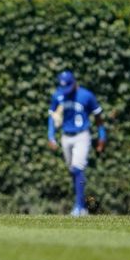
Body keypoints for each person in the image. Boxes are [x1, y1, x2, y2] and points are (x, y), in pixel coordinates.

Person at [47, 70, 106, 217]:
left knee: (77, 168)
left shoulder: (86, 95)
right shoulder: (58, 95)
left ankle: (79, 207)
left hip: (82, 135)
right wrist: (51, 136)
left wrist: (102, 136)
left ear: (74, 82)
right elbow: (52, 117)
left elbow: (98, 117)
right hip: (66, 136)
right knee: (73, 171)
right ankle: (82, 205)